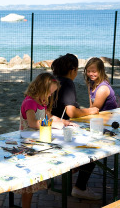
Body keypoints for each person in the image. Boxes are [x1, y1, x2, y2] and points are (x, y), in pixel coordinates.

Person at [18, 72, 75, 208]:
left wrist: (63, 121)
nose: (50, 96)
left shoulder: (42, 102)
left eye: (52, 93)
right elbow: (32, 123)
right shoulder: (30, 102)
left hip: (39, 141)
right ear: (41, 89)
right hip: (28, 142)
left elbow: (49, 117)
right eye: (49, 92)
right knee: (29, 182)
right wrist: (53, 124)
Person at [51, 53, 101, 200]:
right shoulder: (67, 83)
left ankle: (65, 174)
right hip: (61, 129)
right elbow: (71, 111)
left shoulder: (52, 80)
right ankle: (80, 187)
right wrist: (90, 110)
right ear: (72, 70)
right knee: (94, 149)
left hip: (49, 126)